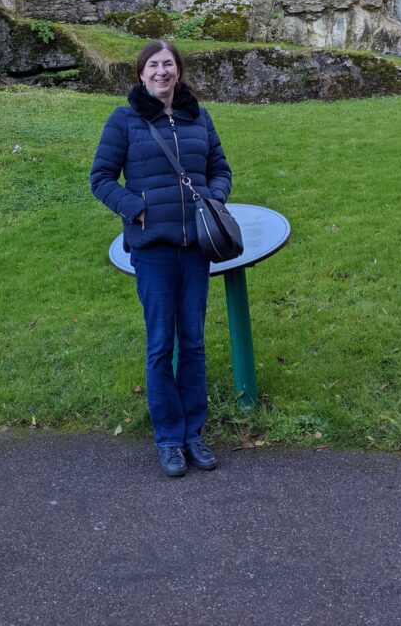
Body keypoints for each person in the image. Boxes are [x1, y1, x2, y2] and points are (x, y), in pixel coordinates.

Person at [90, 40, 232, 478]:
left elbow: (221, 169)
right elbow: (100, 179)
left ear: (178, 71)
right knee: (160, 346)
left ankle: (193, 434)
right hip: (153, 250)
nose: (161, 71)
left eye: (168, 64)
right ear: (141, 73)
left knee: (192, 342)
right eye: (153, 65)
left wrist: (213, 199)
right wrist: (137, 209)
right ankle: (168, 438)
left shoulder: (197, 116)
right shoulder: (125, 120)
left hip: (196, 248)